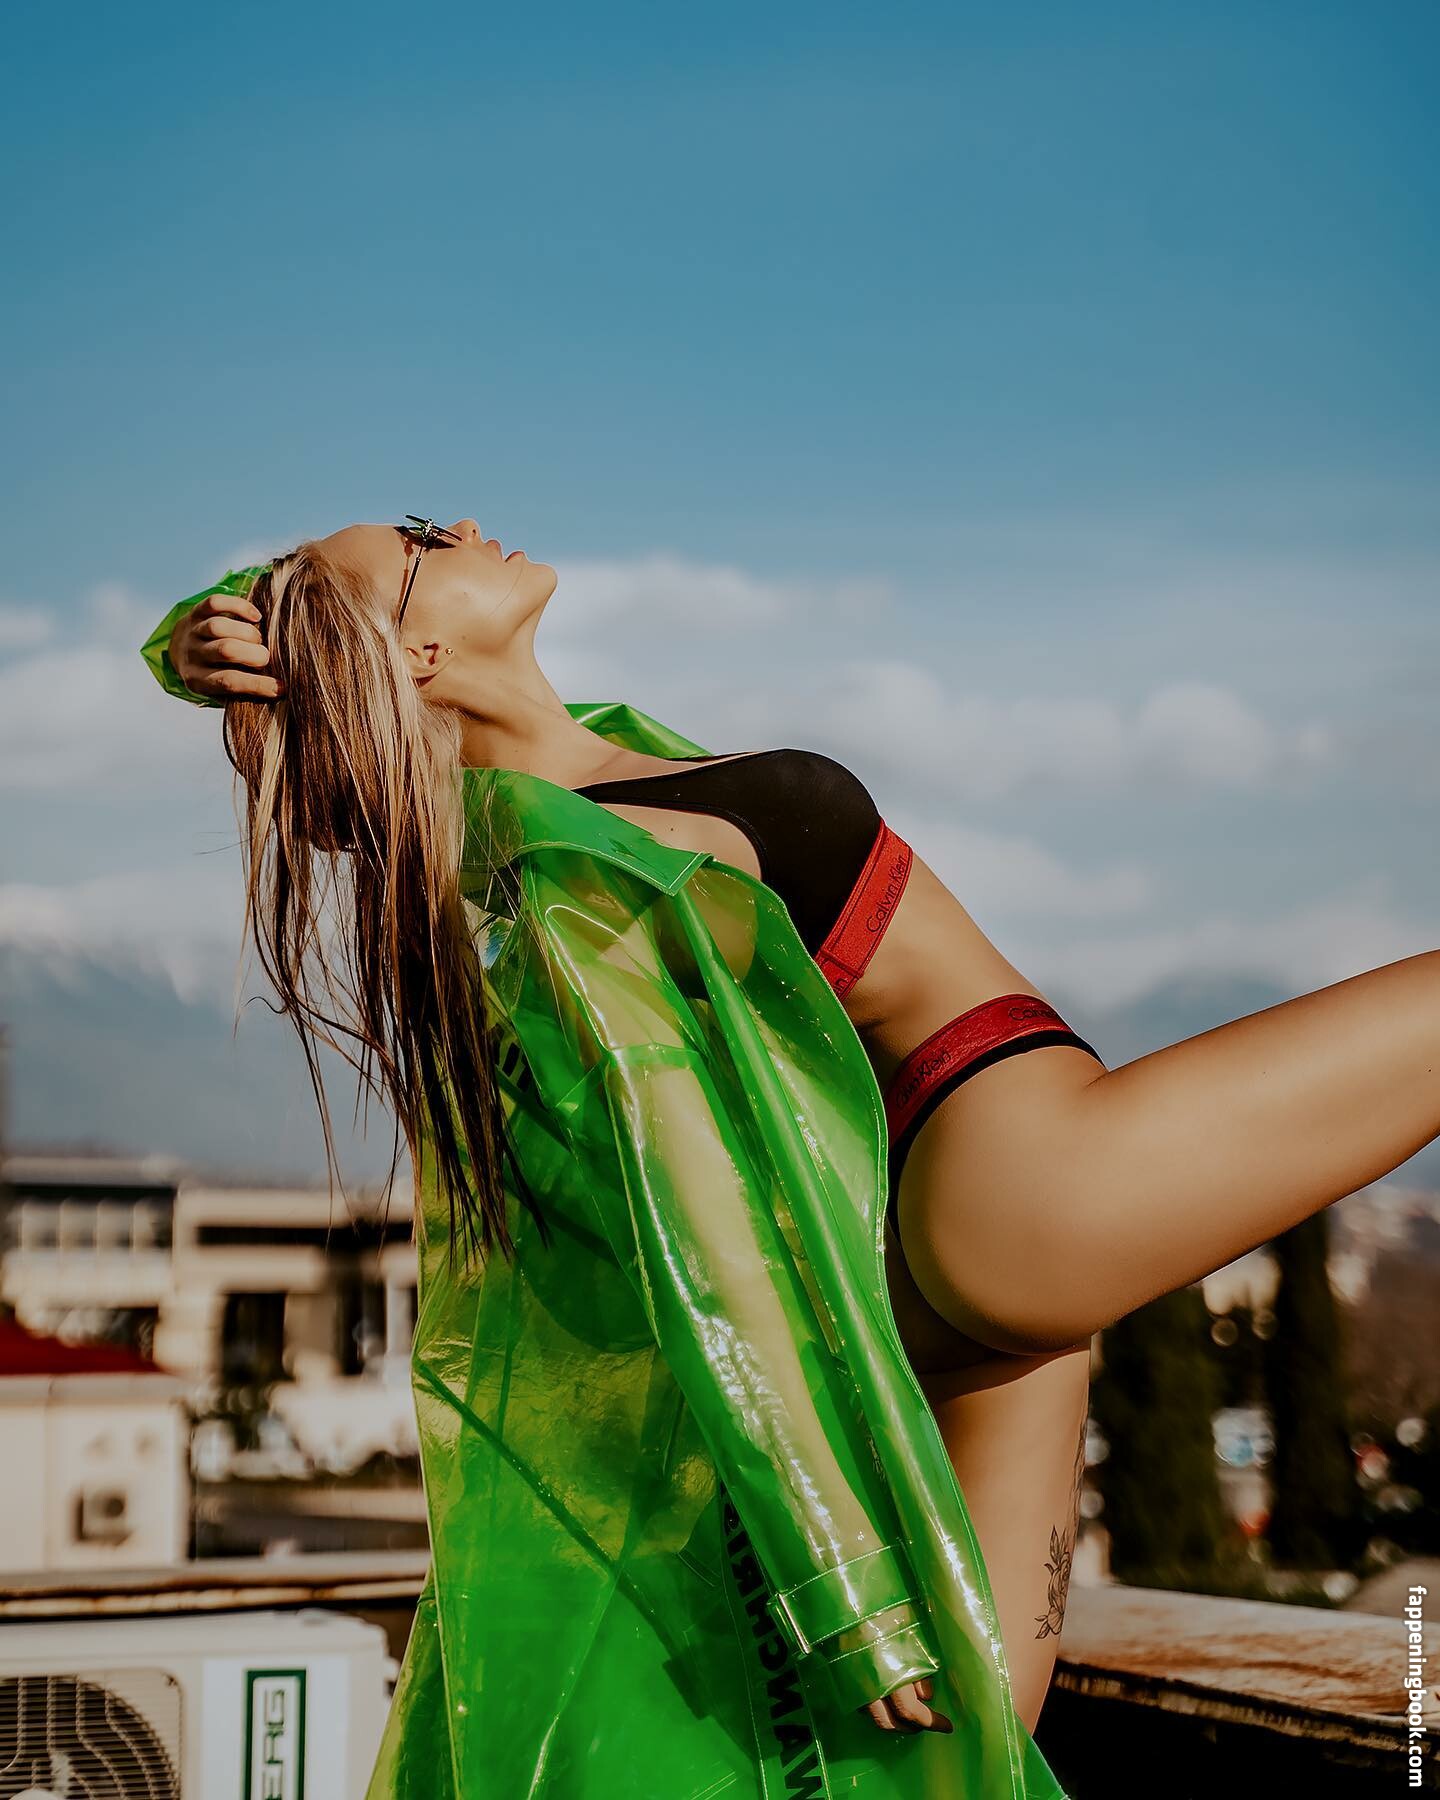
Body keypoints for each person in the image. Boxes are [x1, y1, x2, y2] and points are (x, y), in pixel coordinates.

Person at [142, 515, 1440, 1796]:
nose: (471, 524)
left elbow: (328, 672)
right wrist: (843, 1587)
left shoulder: (583, 773)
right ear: (417, 655)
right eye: (429, 539)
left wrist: (190, 646)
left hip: (952, 1263)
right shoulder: (581, 873)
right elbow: (697, 1224)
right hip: (1023, 1174)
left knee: (962, 1775)